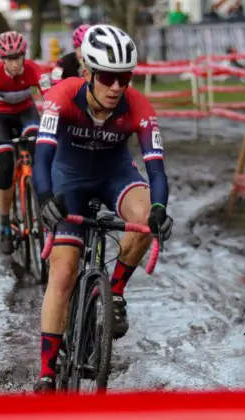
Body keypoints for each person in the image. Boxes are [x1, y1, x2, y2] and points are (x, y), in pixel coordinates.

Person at [32, 24, 173, 393]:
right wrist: (45, 199)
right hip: (68, 179)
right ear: (89, 73)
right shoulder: (62, 96)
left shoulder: (139, 106)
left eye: (124, 78)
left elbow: (156, 168)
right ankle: (47, 372)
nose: (116, 87)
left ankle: (115, 291)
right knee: (63, 271)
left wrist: (159, 208)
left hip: (114, 175)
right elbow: (42, 157)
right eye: (108, 77)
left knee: (143, 219)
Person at [0, 31, 47, 255]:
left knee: (41, 152)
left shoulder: (34, 69)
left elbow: (52, 99)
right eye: (9, 58)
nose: (15, 63)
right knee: (6, 167)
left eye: (18, 57)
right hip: (0, 119)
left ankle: (45, 206)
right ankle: (5, 223)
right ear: (2, 59)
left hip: (26, 114)